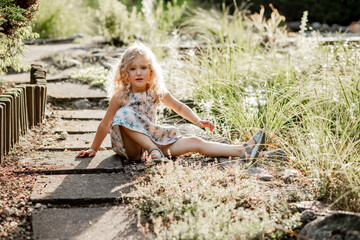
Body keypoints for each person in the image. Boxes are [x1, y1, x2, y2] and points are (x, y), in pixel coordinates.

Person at [76, 42, 265, 163]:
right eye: (133, 69)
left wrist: (198, 121)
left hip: (154, 140)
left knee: (195, 142)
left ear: (151, 71)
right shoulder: (121, 96)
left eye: (143, 68)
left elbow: (179, 107)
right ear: (125, 73)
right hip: (131, 148)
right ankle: (152, 151)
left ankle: (242, 150)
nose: (139, 72)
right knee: (124, 114)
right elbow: (105, 124)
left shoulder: (156, 92)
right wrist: (93, 148)